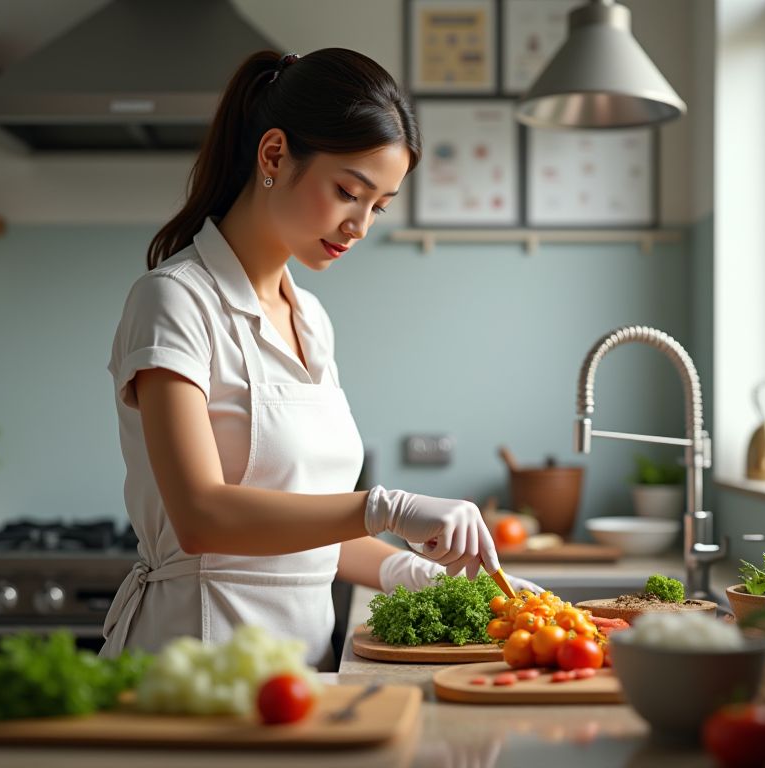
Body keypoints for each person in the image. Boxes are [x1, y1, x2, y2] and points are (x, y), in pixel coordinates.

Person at [100, 48, 539, 669]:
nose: (360, 225)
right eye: (348, 192)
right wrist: (384, 507)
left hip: (299, 669)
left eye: (378, 206)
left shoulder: (310, 318)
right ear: (274, 154)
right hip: (197, 662)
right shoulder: (173, 300)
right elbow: (201, 517)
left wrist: (425, 576)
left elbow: (310, 534)